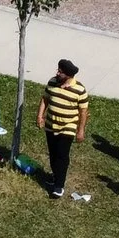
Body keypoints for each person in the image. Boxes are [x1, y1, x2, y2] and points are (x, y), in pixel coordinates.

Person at [38, 59, 90, 199]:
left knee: (62, 155)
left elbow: (83, 112)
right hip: (51, 125)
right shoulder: (53, 82)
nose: (57, 73)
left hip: (67, 127)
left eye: (60, 72)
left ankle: (59, 186)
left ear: (68, 75)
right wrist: (40, 116)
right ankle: (55, 176)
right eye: (58, 70)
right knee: (53, 153)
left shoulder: (79, 89)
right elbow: (45, 99)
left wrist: (81, 130)